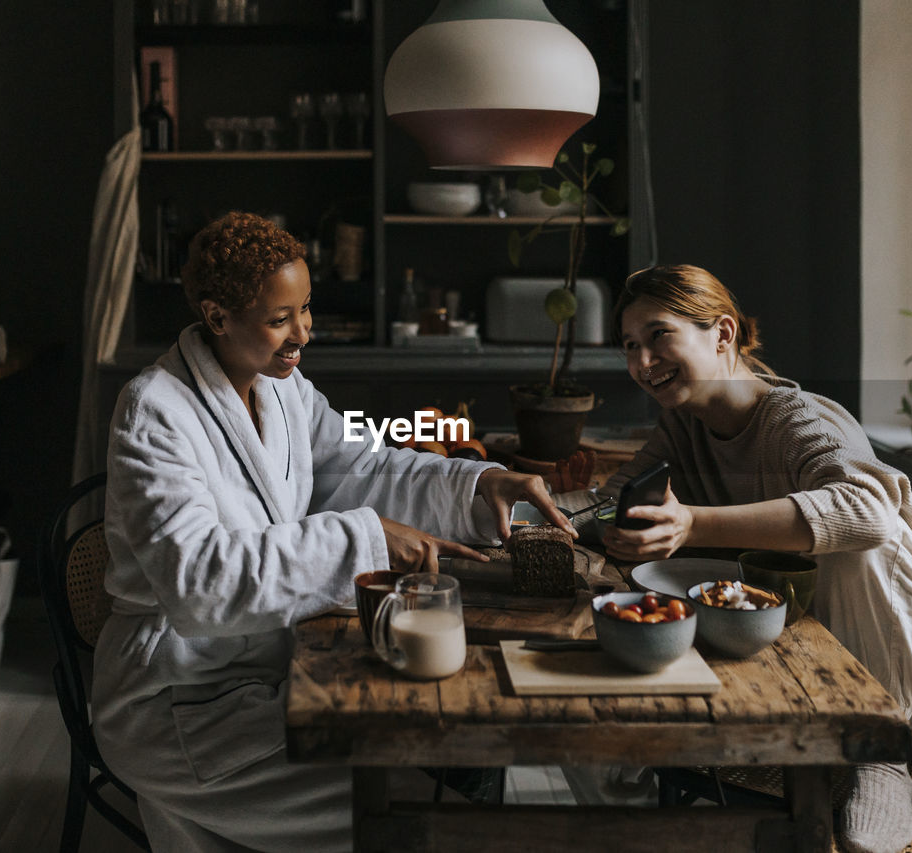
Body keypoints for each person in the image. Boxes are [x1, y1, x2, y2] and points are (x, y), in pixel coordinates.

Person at [91, 211, 573, 852]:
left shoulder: (284, 390)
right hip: (179, 698)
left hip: (274, 665)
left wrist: (477, 484)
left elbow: (365, 462)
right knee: (409, 816)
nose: (303, 334)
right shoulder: (153, 412)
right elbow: (198, 582)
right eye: (279, 319)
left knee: (442, 762)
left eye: (307, 309)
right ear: (216, 317)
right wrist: (368, 539)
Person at [564, 264, 912, 853]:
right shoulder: (684, 429)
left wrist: (692, 523)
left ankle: (881, 759)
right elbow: (613, 503)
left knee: (863, 528)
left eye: (659, 336)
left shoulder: (799, 419)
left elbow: (869, 513)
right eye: (630, 347)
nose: (643, 362)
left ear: (722, 334)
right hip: (810, 674)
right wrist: (526, 504)